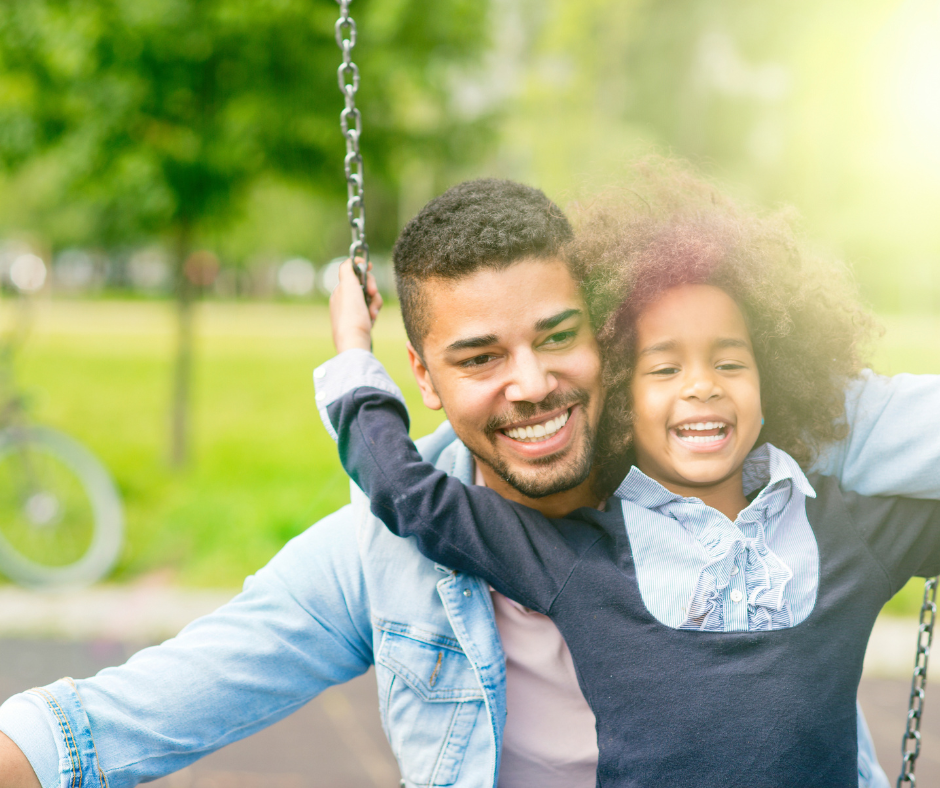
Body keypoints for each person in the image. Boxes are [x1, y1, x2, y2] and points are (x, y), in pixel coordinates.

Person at [1, 177, 937, 788]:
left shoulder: (743, 443)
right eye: (481, 356)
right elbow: (104, 725)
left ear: (604, 331)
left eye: (558, 336)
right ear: (424, 377)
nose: (530, 384)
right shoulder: (383, 555)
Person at [318, 167, 940, 785]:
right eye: (664, 370)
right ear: (618, 392)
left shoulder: (845, 531)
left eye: (729, 362)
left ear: (770, 379)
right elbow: (406, 492)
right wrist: (353, 349)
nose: (701, 385)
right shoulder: (575, 556)